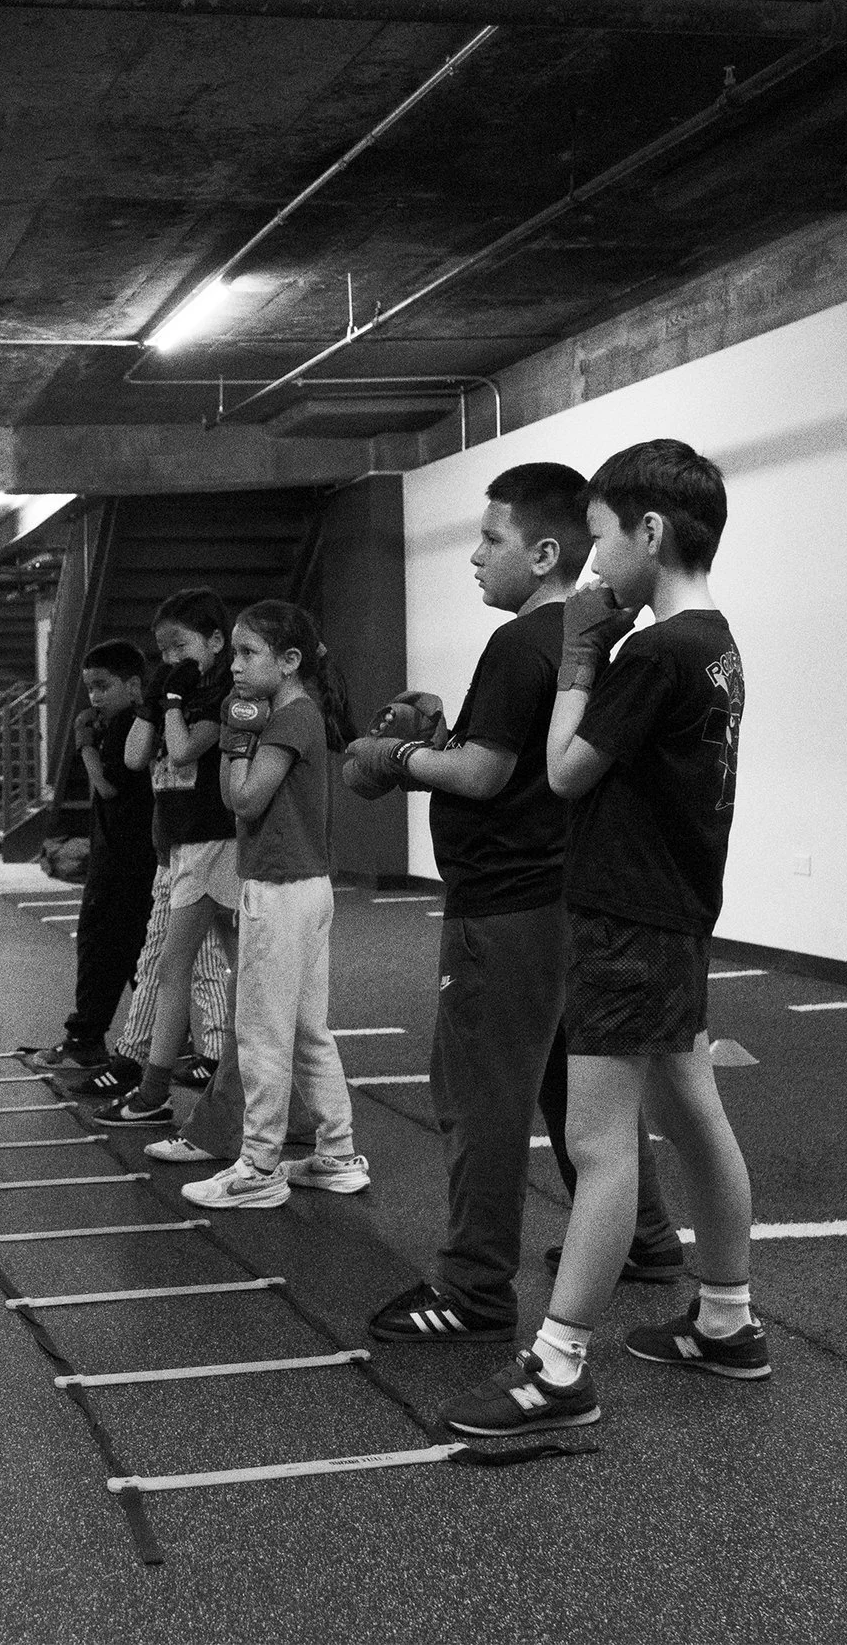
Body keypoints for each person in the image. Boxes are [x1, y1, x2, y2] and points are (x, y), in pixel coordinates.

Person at [439, 438, 761, 1434]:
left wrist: (582, 653)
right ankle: (726, 1319)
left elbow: (564, 768)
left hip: (624, 921)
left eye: (602, 538)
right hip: (674, 913)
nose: (591, 563)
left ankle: (558, 1365)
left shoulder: (655, 653)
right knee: (694, 1113)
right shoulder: (715, 641)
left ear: (649, 533)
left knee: (598, 1142)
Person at [346, 464, 684, 1347]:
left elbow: (484, 772)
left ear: (541, 554)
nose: (474, 556)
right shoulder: (585, 641)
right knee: (576, 1084)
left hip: (503, 912)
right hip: (571, 899)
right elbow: (528, 756)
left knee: (480, 1097)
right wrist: (443, 729)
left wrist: (397, 756)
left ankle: (473, 1288)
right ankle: (644, 1238)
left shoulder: (518, 643)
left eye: (490, 538)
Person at [180, 601, 364, 1208]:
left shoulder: (290, 717)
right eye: (233, 652)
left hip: (281, 890)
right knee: (309, 1031)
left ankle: (258, 1167)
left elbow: (244, 800)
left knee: (261, 1031)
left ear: (288, 662)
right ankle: (337, 1155)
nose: (234, 666)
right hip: (305, 887)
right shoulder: (300, 712)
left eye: (247, 653)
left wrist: (233, 743)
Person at [92, 590, 239, 1133]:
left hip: (212, 842)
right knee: (191, 964)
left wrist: (173, 704)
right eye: (164, 651)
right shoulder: (175, 695)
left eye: (182, 646)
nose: (172, 659)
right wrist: (151, 705)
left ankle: (155, 1088)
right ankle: (246, 1088)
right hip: (174, 847)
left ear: (216, 642)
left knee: (182, 967)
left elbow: (182, 750)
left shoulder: (222, 699)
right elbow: (136, 757)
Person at [24, 641, 154, 1074]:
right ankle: (161, 1038)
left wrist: (86, 747)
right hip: (129, 855)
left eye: (103, 686)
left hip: (123, 860)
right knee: (135, 950)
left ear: (132, 686)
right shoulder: (128, 722)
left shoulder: (125, 727)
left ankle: (86, 1039)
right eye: (90, 688)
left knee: (101, 945)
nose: (94, 696)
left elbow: (107, 786)